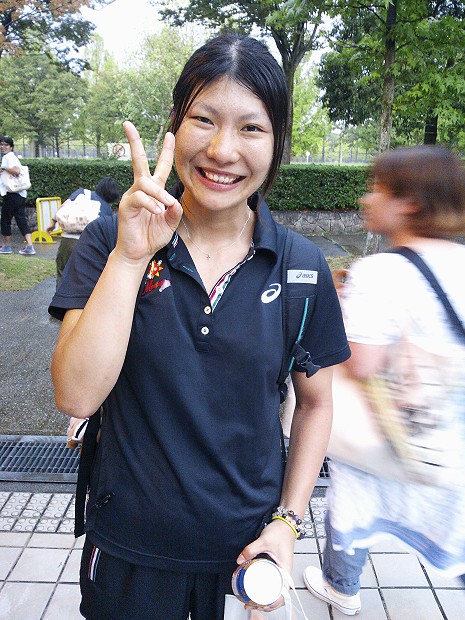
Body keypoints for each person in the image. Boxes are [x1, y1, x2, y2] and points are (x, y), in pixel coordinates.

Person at [48, 33, 350, 620]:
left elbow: (316, 404)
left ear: (278, 142)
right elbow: (76, 395)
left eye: (251, 128)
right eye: (203, 120)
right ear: (174, 125)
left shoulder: (301, 266)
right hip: (129, 545)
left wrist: (288, 522)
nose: (222, 150)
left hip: (246, 551)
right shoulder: (110, 240)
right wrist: (131, 257)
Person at [303, 145, 465, 615]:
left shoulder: (380, 272)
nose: (365, 198)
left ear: (409, 202)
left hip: (391, 434)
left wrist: (340, 306)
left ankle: (341, 586)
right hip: (449, 437)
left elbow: (361, 363)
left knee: (356, 502)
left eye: (377, 188)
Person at [46, 177, 121, 288]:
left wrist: (53, 223)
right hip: (88, 244)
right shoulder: (107, 210)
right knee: (83, 279)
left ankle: (59, 297)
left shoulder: (82, 193)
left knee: (62, 274)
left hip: (67, 240)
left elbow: (63, 207)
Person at [0, 136, 35, 255]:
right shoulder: (11, 157)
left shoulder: (8, 157)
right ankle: (30, 246)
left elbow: (17, 171)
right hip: (20, 194)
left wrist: (3, 167)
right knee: (21, 220)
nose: (3, 147)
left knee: (5, 220)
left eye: (6, 145)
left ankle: (7, 246)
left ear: (11, 147)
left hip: (12, 194)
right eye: (1, 144)